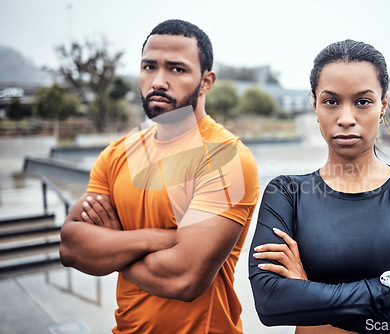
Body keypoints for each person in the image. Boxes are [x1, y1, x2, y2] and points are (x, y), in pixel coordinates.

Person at [248, 40, 390, 334]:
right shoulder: (286, 194)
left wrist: (309, 296)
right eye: (331, 102)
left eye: (363, 101)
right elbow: (270, 304)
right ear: (314, 105)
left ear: (383, 106)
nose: (346, 119)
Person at [59, 19, 259, 334]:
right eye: (149, 67)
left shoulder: (225, 158)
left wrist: (113, 245)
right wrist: (157, 239)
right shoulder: (117, 154)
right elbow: (71, 247)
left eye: (176, 69)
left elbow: (185, 278)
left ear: (206, 81)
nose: (158, 81)